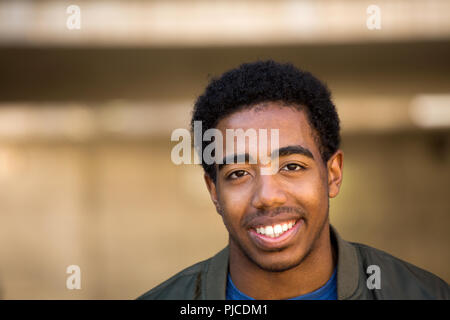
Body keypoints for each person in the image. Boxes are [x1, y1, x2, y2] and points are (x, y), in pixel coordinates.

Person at [138, 60, 449, 300]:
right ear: (214, 192)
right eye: (238, 174)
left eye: (291, 166)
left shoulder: (424, 293)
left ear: (333, 174)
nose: (268, 196)